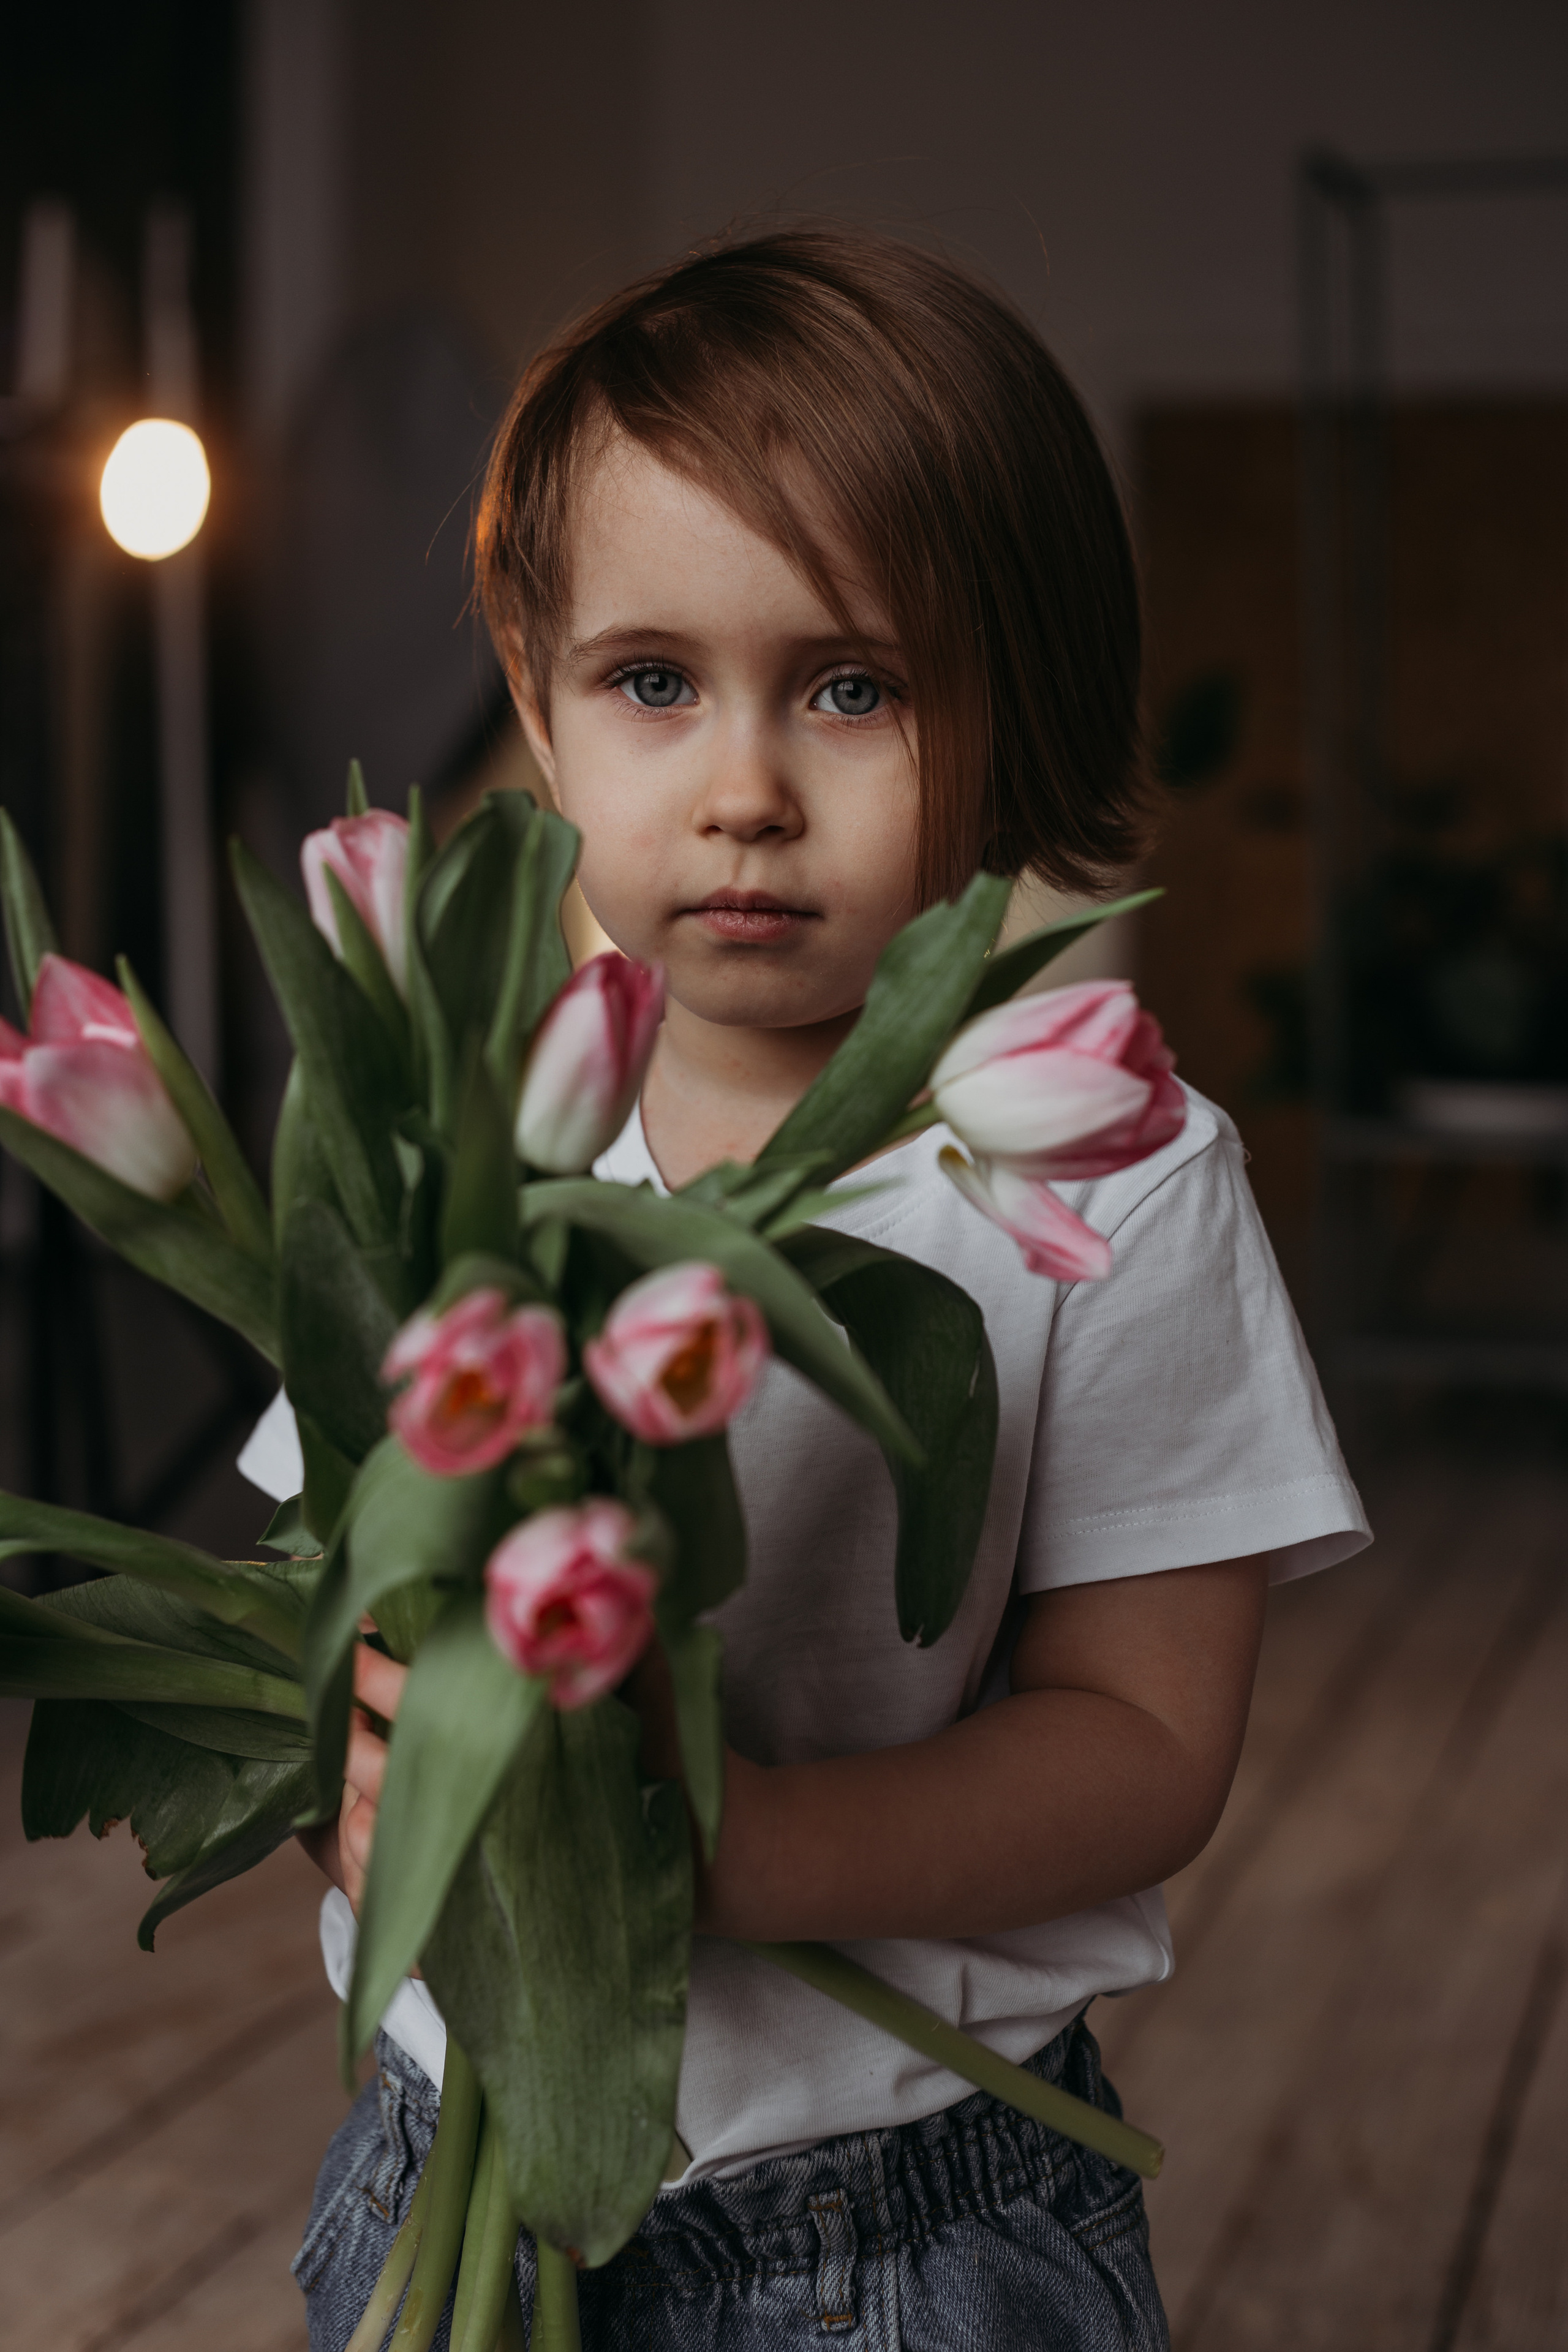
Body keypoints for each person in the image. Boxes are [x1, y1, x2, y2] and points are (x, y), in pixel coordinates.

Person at [248, 227, 1369, 2350]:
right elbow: (342, 1597)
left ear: (1011, 701)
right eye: (654, 682)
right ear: (538, 702)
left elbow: (1146, 1746)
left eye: (853, 684)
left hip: (895, 2232)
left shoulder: (1109, 1161)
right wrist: (375, 1792)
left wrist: (707, 1853)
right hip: (447, 2174)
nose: (746, 789)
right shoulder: (453, 1128)